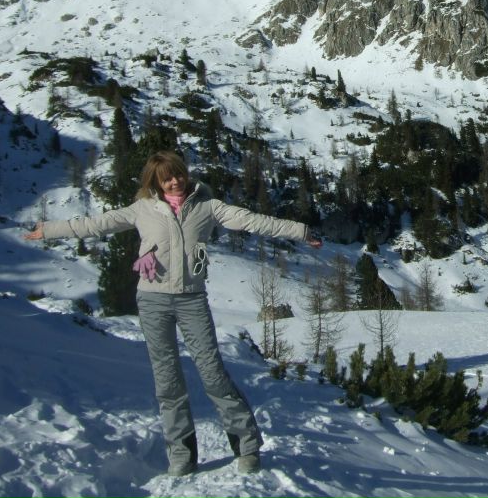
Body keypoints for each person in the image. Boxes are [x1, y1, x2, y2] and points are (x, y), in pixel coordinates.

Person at [23, 150, 321, 477]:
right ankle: (181, 453)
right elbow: (96, 224)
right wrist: (48, 230)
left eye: (178, 174)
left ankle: (247, 446)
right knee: (167, 382)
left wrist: (301, 231)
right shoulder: (142, 210)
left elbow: (253, 220)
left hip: (192, 300)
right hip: (152, 301)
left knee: (213, 374)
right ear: (156, 182)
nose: (175, 181)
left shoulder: (207, 207)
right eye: (167, 177)